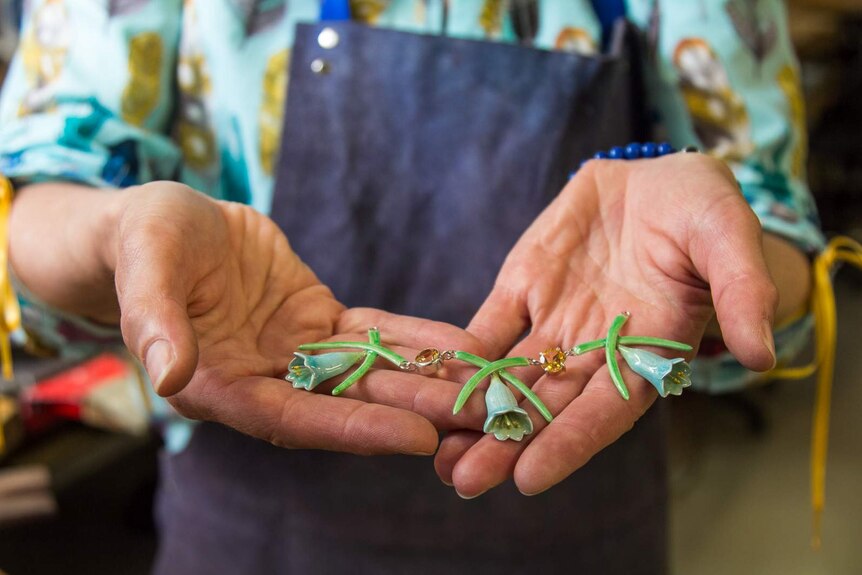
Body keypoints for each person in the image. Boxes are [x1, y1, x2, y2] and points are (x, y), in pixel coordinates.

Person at [0, 0, 822, 573]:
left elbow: (773, 225)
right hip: (253, 536)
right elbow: (37, 194)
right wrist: (118, 230)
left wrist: (727, 254)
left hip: (580, 527)